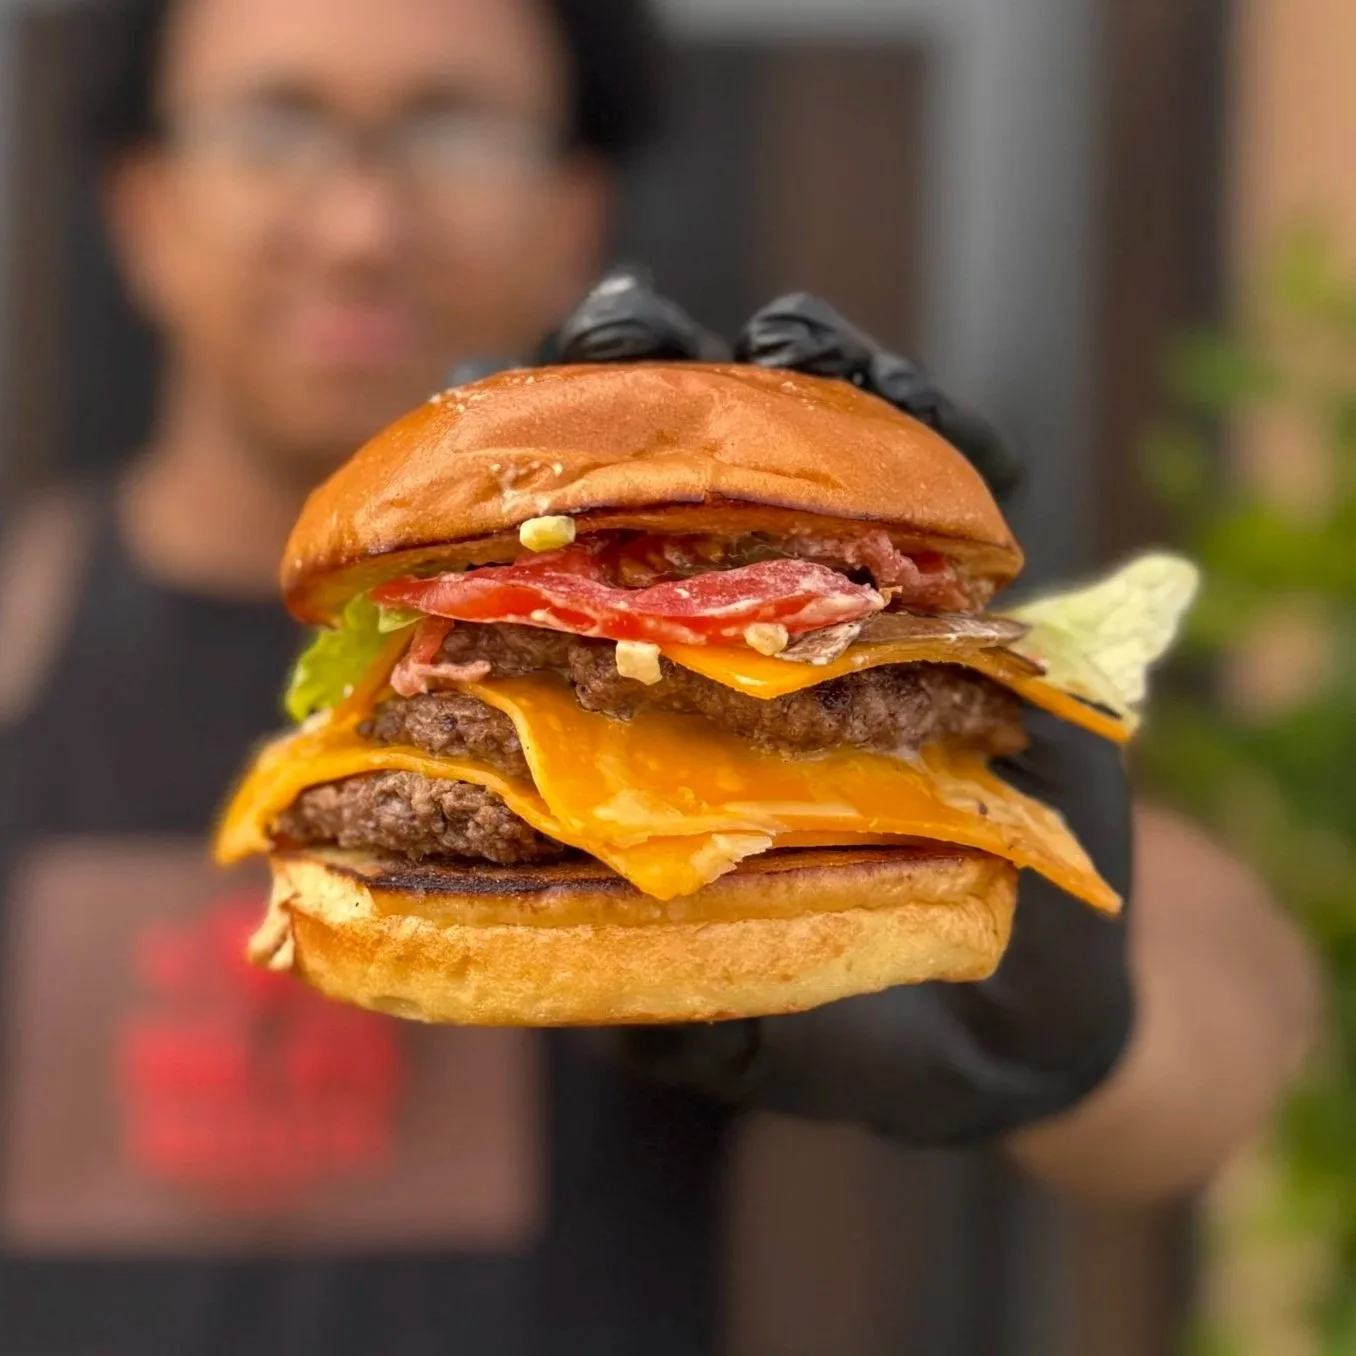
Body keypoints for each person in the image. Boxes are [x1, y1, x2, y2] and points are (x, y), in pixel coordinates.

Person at [0, 1, 1319, 1354]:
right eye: (274, 124)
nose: (361, 227)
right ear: (144, 204)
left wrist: (1079, 1041)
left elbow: (1248, 1006)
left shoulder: (808, 627)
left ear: (575, 211)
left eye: (456, 130)